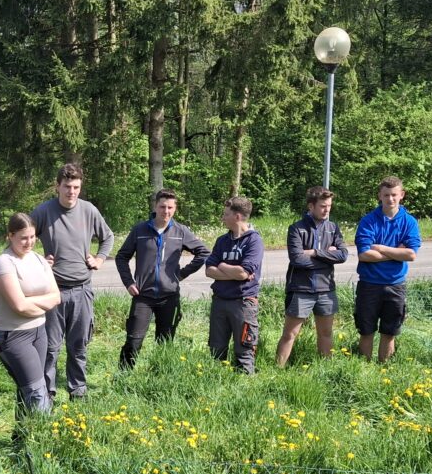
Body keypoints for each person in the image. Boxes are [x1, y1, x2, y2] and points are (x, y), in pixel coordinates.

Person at [30, 163, 114, 400]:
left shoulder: (88, 210)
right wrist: (38, 259)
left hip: (81, 291)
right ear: (57, 186)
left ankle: (78, 391)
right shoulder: (44, 211)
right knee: (50, 348)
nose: (71, 192)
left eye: (76, 187)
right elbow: (21, 239)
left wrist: (99, 258)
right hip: (52, 292)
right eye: (67, 187)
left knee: (78, 347)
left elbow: (107, 237)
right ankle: (47, 393)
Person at [114, 189, 210, 369]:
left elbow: (203, 252)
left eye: (170, 207)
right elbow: (121, 257)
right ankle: (123, 377)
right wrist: (128, 282)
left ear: (175, 208)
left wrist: (181, 274)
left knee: (164, 342)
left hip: (169, 297)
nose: (166, 211)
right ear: (155, 206)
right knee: (134, 340)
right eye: (162, 207)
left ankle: (160, 377)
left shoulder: (180, 231)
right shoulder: (140, 230)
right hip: (143, 296)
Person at [0, 213, 61, 415]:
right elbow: (18, 306)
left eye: (32, 237)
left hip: (39, 330)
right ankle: (43, 439)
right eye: (23, 237)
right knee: (37, 391)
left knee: (28, 387)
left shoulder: (39, 260)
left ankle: (21, 438)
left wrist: (29, 302)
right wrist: (39, 303)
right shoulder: (4, 264)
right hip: (12, 335)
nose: (29, 242)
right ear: (10, 236)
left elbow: (56, 297)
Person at [276, 185, 349, 366]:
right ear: (311, 206)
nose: (327, 210)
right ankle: (277, 370)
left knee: (326, 333)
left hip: (326, 289)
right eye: (323, 206)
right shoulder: (296, 228)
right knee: (289, 334)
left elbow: (342, 255)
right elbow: (297, 260)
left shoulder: (333, 228)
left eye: (329, 206)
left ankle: (327, 370)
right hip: (301, 289)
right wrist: (327, 255)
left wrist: (316, 252)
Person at [354, 176, 421, 363]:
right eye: (386, 195)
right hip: (369, 284)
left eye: (394, 195)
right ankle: (362, 370)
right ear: (379, 196)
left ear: (402, 195)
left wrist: (382, 248)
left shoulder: (409, 222)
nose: (390, 199)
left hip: (395, 285)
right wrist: (397, 252)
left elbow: (411, 255)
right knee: (366, 331)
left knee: (389, 332)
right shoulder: (368, 221)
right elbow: (364, 254)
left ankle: (384, 370)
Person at [205, 196, 263, 374]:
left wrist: (221, 265)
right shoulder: (222, 241)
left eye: (226, 214)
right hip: (220, 301)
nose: (222, 218)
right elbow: (209, 270)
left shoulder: (254, 241)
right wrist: (233, 272)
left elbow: (243, 273)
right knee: (216, 349)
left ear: (237, 216)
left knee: (244, 349)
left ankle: (245, 389)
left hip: (243, 302)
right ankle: (215, 384)